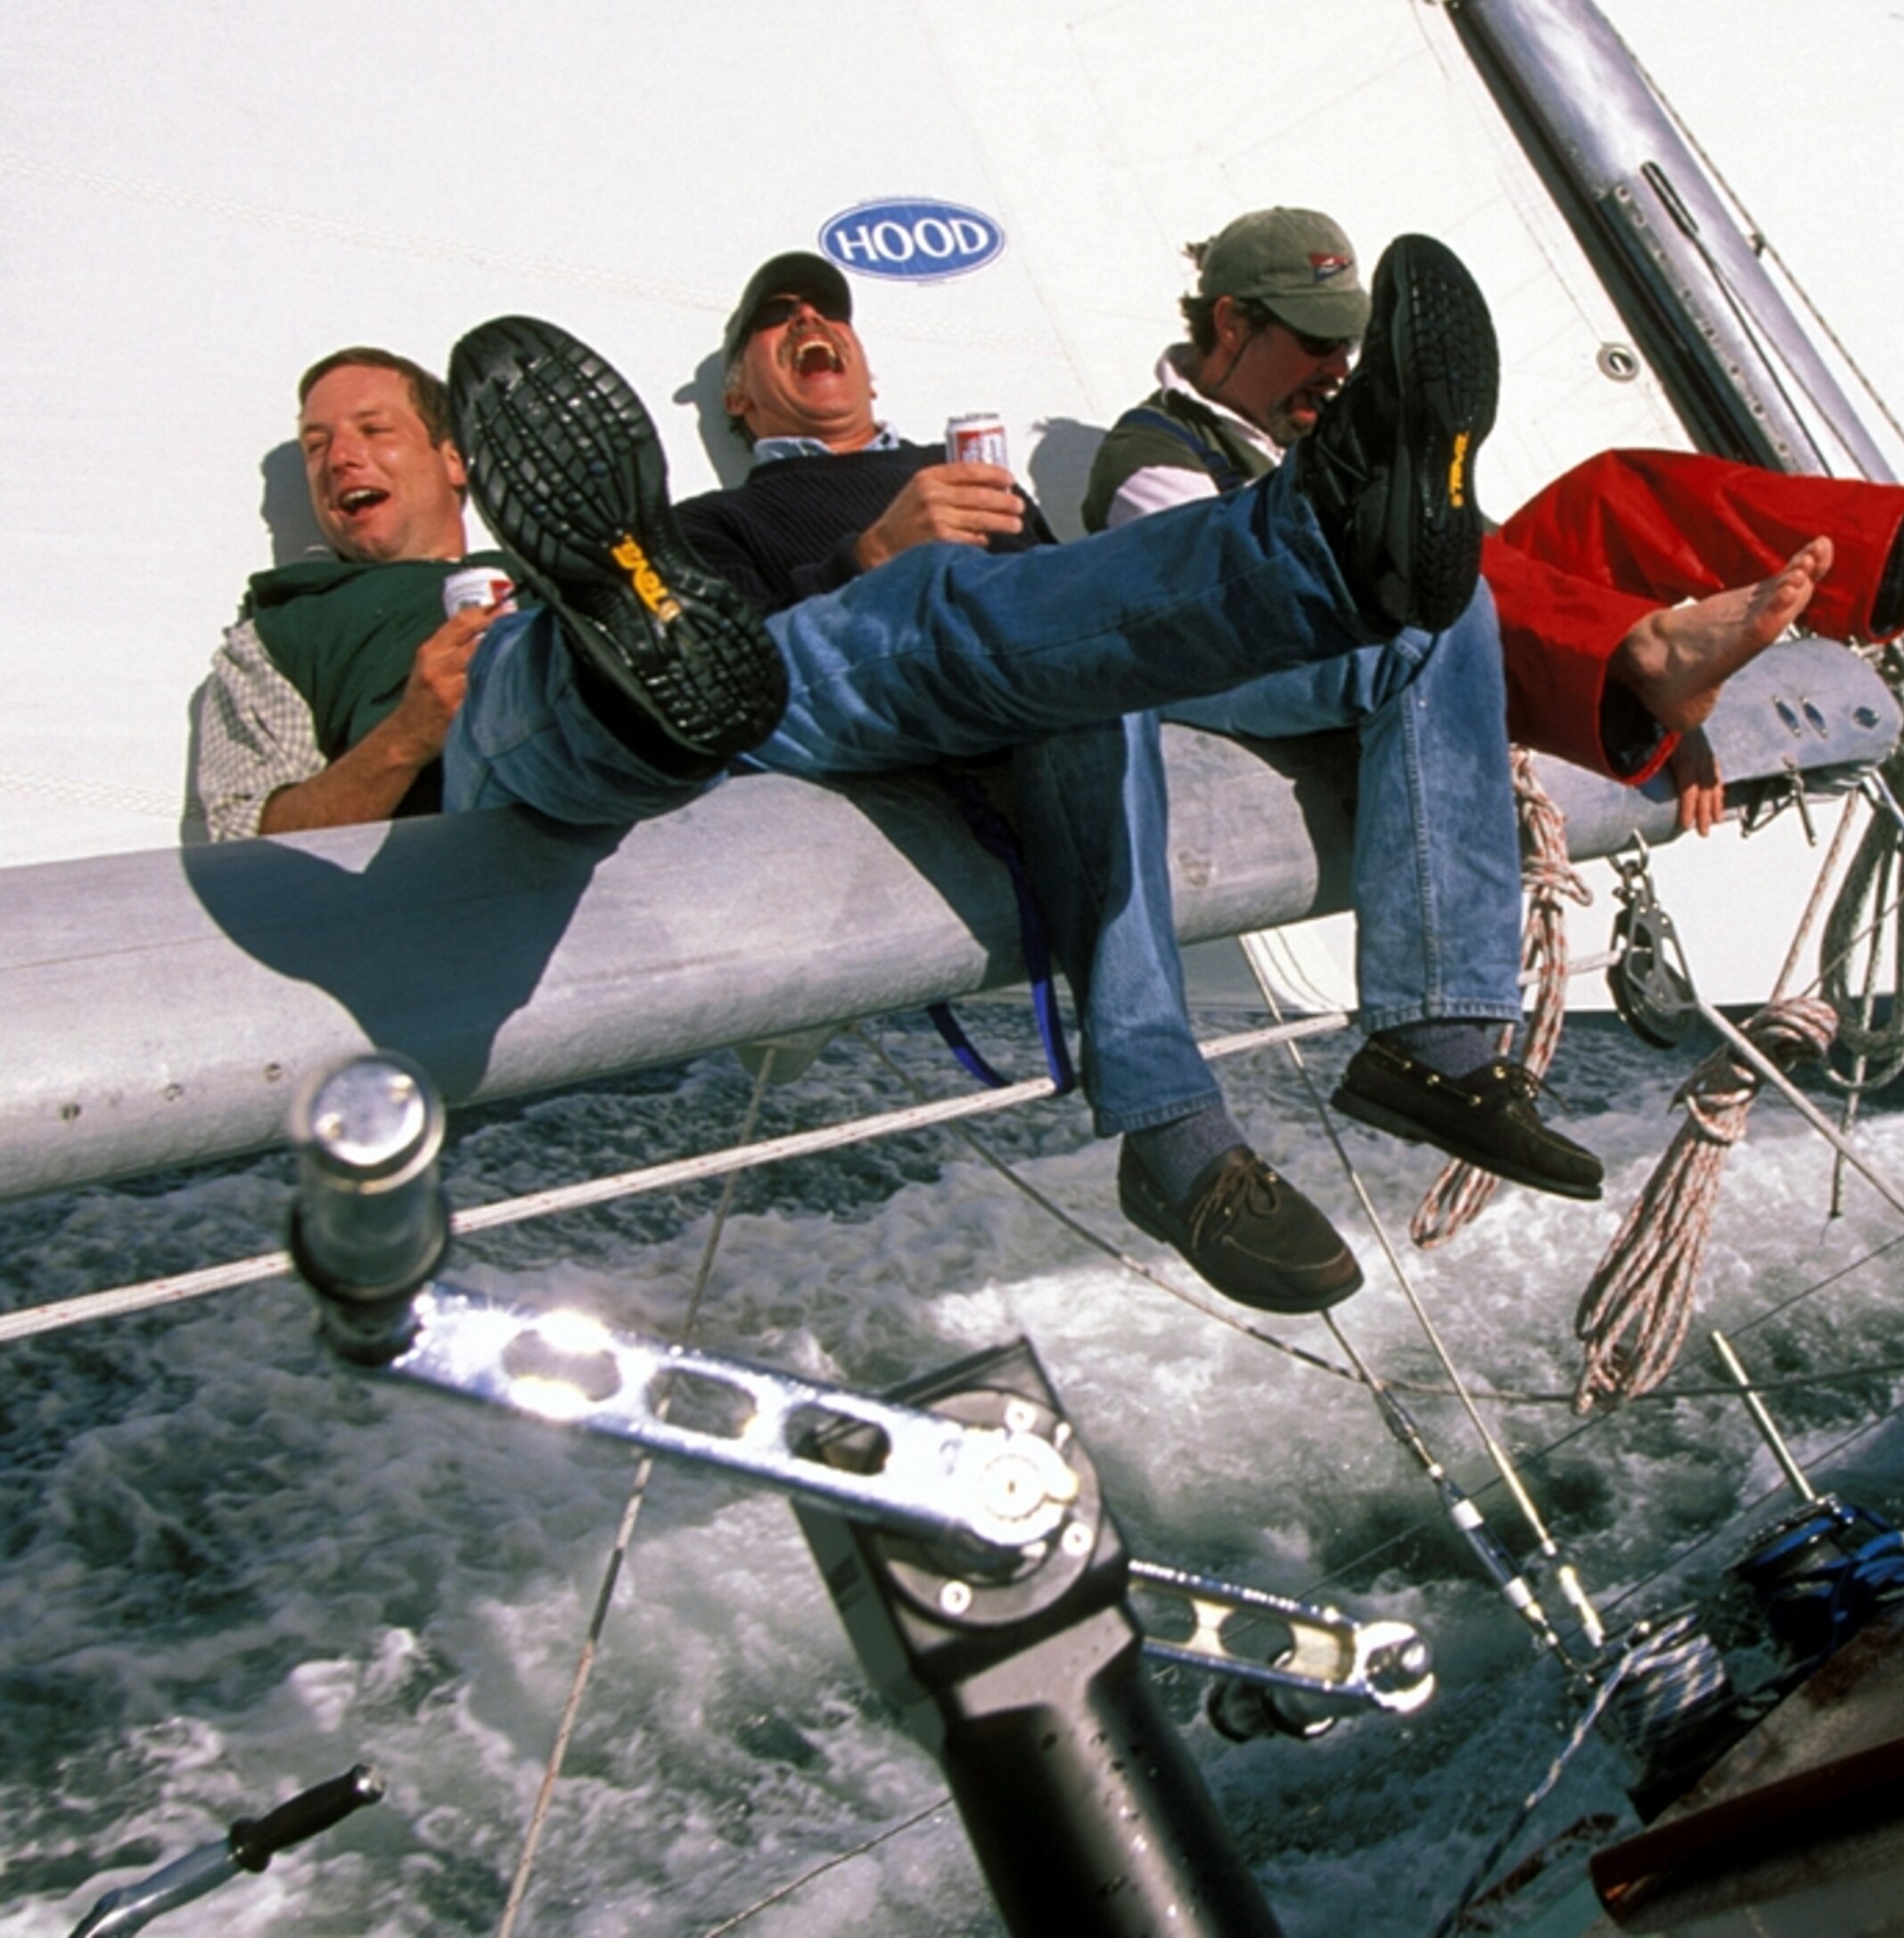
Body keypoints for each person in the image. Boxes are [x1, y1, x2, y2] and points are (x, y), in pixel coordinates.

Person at [441, 233, 1598, 1317]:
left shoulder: (957, 462)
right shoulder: (721, 517)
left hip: (1054, 641)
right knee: (962, 618)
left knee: (1435, 621)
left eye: (831, 309)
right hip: (866, 658)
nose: (813, 322)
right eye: (775, 317)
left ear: (867, 366)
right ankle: (1172, 1112)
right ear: (738, 399)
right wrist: (866, 551)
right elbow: (769, 671)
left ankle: (1443, 1035)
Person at [1086, 208, 1904, 832]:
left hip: (1433, 626)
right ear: (1230, 324)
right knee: (1452, 572)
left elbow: (1479, 559)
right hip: (1340, 670)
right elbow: (1217, 620)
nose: (1342, 367)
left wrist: (1654, 707)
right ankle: (1640, 659)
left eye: (1353, 343)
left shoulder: (1329, 431)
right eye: (1317, 340)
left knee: (1616, 488)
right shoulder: (1155, 460)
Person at [192, 349, 513, 840]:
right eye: (316, 447)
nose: (339, 459)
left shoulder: (558, 570)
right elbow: (242, 846)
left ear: (453, 458)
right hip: (450, 875)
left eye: (374, 430)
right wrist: (407, 737)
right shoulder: (284, 633)